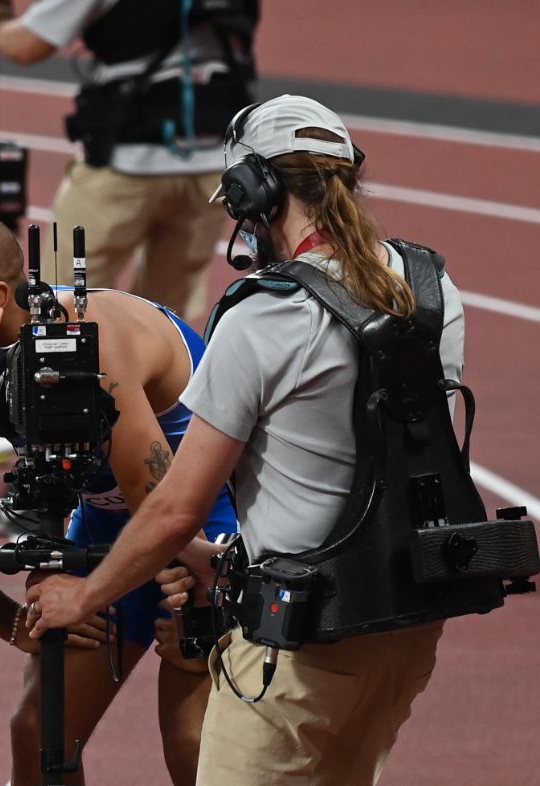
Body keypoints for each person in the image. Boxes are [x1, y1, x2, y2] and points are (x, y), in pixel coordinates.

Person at [27, 95, 464, 785]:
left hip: (303, 642)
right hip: (408, 622)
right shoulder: (432, 288)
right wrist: (215, 564)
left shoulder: (264, 313)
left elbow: (177, 510)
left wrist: (80, 599)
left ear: (251, 191)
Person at [0, 212, 237, 786]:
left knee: (192, 740)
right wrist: (6, 615)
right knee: (40, 731)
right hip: (110, 519)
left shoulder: (92, 348)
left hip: (203, 520)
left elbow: (168, 514)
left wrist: (173, 598)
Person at [0, 0, 258, 320]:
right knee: (165, 319)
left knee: (62, 304)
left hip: (124, 162)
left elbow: (27, 44)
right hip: (212, 166)